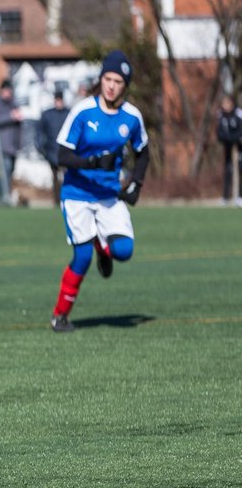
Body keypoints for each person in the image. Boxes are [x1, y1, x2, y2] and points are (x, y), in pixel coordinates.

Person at [49, 50, 150, 333]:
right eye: (107, 78)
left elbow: (143, 154)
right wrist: (91, 162)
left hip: (108, 195)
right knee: (81, 258)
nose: (111, 85)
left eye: (118, 81)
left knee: (124, 250)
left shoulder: (131, 117)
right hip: (77, 194)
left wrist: (136, 186)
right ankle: (60, 316)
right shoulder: (83, 111)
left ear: (124, 86)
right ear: (101, 79)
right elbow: (62, 156)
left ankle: (103, 248)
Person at [0, 78, 24, 205]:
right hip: (2, 145)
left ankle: (3, 196)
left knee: (10, 172)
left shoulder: (13, 104)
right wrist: (10, 117)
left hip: (13, 146)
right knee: (4, 171)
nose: (7, 93)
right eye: (5, 90)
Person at [37, 87, 70, 204]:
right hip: (52, 152)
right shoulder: (48, 114)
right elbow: (40, 132)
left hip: (66, 152)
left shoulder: (68, 113)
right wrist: (41, 149)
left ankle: (67, 198)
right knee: (55, 178)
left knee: (68, 177)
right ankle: (57, 200)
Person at [215, 95, 242, 207]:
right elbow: (219, 133)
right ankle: (226, 197)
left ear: (231, 103)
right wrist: (229, 139)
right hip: (228, 147)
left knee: (240, 170)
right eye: (223, 104)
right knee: (228, 171)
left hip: (239, 147)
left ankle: (239, 197)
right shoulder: (221, 115)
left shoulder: (238, 114)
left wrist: (235, 139)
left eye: (226, 103)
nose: (224, 106)